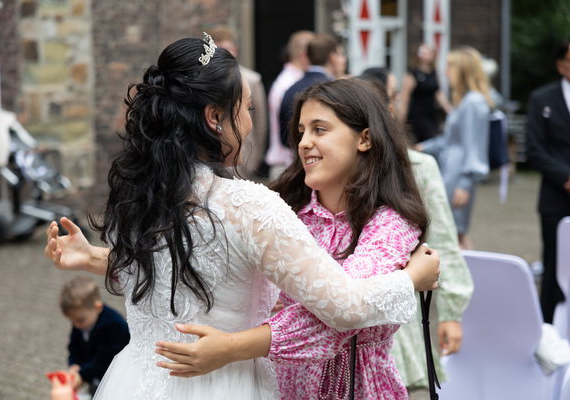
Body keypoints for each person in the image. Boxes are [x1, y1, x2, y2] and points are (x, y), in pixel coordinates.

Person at [44, 35, 440, 399]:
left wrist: (93, 257)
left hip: (138, 382)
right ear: (215, 117)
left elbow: (172, 271)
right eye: (246, 108)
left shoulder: (143, 196)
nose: (251, 123)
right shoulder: (250, 206)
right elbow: (344, 307)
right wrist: (411, 279)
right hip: (226, 384)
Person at [153, 77, 434, 400]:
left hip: (358, 389)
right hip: (280, 388)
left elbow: (338, 317)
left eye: (319, 129)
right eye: (301, 132)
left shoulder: (391, 223)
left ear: (365, 139)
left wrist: (232, 346)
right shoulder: (284, 209)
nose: (303, 143)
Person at [358, 67, 474, 399]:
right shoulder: (335, 167)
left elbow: (442, 243)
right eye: (393, 95)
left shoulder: (417, 166)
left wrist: (451, 313)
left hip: (398, 319)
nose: (396, 104)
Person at [416, 45, 493, 250]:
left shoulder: (473, 102)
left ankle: (469, 269)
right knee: (453, 231)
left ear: (462, 71)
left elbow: (474, 145)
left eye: (450, 67)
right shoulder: (465, 101)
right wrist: (423, 147)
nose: (446, 72)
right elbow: (452, 140)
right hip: (452, 170)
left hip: (458, 174)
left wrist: (465, 183)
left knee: (455, 232)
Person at [526, 37, 570, 324]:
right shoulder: (542, 99)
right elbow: (534, 150)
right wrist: (565, 177)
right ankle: (549, 329)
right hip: (556, 198)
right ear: (560, 64)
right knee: (555, 266)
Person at [208, 26, 268, 179]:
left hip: (245, 153)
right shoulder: (204, 80)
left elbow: (260, 120)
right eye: (219, 49)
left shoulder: (252, 79)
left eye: (227, 49)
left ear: (235, 49)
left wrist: (258, 155)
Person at [60, 275, 130, 396]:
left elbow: (104, 359)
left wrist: (82, 375)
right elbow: (74, 346)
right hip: (94, 376)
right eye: (73, 321)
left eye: (80, 320)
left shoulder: (114, 325)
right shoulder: (81, 322)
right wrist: (75, 364)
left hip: (113, 379)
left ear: (98, 307)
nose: (76, 325)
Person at [279, 33, 346, 146]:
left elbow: (284, 137)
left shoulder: (291, 88)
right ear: (333, 58)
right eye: (340, 55)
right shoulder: (335, 89)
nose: (343, 60)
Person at [265, 30, 315, 180]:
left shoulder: (286, 80)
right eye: (315, 54)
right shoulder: (292, 84)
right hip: (288, 165)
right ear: (305, 56)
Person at [398, 43, 452, 143]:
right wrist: (401, 118)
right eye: (423, 53)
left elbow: (438, 94)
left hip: (431, 114)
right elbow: (405, 97)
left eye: (429, 53)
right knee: (427, 138)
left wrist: (449, 110)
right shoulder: (412, 74)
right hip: (417, 115)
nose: (426, 56)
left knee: (432, 138)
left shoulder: (434, 73)